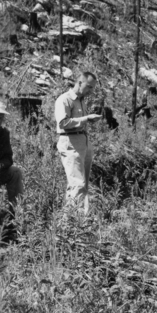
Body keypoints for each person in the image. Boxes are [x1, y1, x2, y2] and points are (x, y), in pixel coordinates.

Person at [55, 72, 102, 213]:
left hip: (83, 142)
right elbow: (63, 122)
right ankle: (72, 223)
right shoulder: (64, 99)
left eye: (93, 88)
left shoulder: (81, 100)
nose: (91, 91)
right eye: (89, 87)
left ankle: (77, 219)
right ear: (79, 83)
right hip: (70, 143)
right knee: (77, 184)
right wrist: (86, 118)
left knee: (82, 184)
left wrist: (89, 119)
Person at [0, 100, 24, 210]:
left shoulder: (3, 133)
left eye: (0, 118)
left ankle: (15, 215)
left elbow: (8, 158)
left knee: (15, 172)